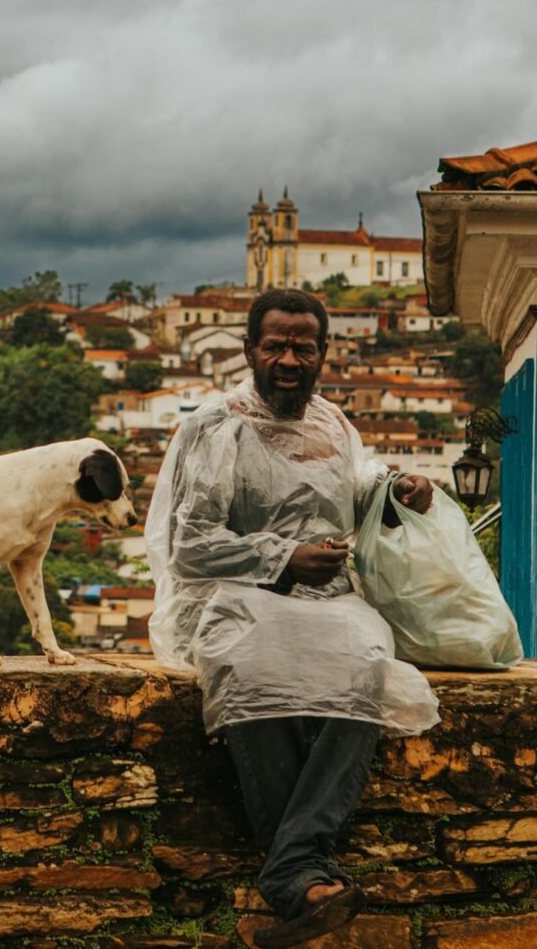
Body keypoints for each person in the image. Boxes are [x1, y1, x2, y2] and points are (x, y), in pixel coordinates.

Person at [145, 288, 440, 948]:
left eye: (302, 348)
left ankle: (290, 871)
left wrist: (396, 491)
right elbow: (190, 543)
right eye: (275, 345)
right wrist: (281, 558)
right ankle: (304, 870)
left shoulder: (334, 424)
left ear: (322, 353)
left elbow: (353, 489)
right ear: (250, 349)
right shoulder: (216, 426)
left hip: (328, 603)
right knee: (258, 665)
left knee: (366, 666)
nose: (288, 360)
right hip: (235, 597)